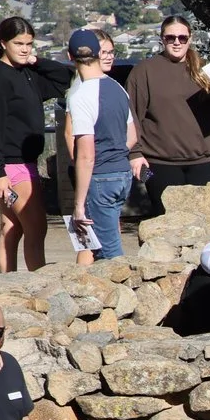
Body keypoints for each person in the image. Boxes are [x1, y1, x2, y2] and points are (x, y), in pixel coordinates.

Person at [0, 18, 71, 274]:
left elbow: (64, 79)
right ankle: (37, 285)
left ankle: (7, 284)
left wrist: (37, 62)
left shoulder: (27, 73)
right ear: (3, 43)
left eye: (29, 43)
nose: (25, 49)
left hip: (24, 163)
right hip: (12, 166)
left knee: (11, 227)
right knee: (36, 227)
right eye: (19, 44)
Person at [126, 16, 210, 213]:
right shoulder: (143, 71)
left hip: (201, 162)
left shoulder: (206, 69)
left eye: (182, 37)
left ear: (190, 38)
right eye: (171, 37)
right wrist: (134, 155)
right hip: (156, 163)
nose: (177, 42)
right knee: (164, 220)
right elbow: (130, 115)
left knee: (204, 222)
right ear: (162, 38)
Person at [62, 29, 142, 263]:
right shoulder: (118, 88)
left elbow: (86, 155)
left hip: (100, 178)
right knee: (102, 244)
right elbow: (132, 135)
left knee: (109, 254)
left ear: (70, 56)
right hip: (122, 174)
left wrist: (78, 205)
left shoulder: (81, 95)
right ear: (98, 53)